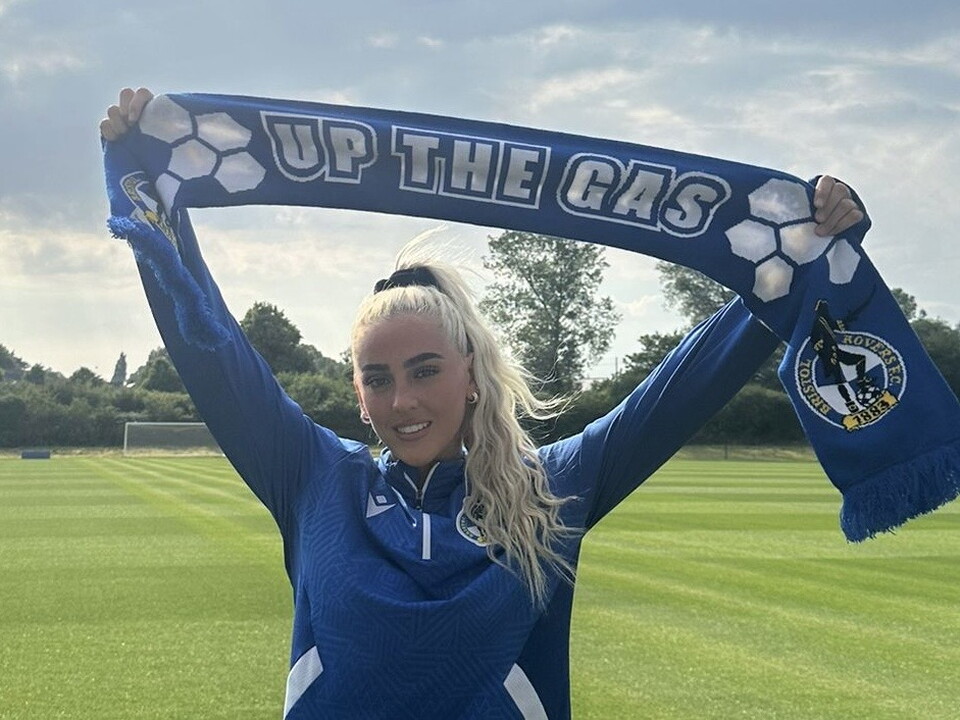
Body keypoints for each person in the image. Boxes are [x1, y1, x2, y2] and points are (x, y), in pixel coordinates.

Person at [101, 87, 865, 720]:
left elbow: (682, 387)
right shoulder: (314, 479)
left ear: (471, 374)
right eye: (377, 378)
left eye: (424, 369)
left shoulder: (552, 488)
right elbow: (212, 350)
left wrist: (795, 252)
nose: (402, 399)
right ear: (358, 398)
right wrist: (151, 196)